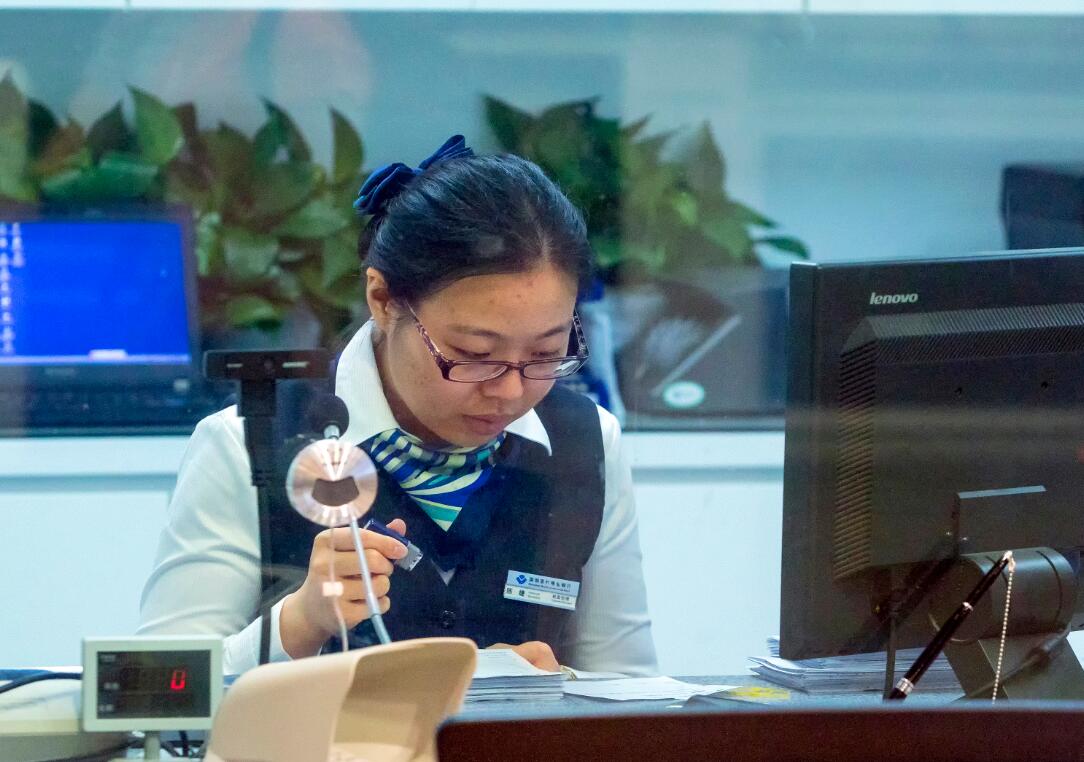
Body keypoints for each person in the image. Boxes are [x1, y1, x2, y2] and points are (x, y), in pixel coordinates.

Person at [138, 135, 657, 677]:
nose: (510, 391)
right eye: (474, 355)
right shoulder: (250, 442)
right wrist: (301, 621)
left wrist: (553, 687)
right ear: (383, 300)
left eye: (547, 354)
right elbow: (162, 688)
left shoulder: (586, 441)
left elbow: (630, 690)